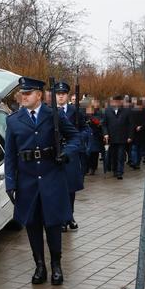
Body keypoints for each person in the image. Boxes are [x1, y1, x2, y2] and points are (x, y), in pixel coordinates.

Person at [4, 77, 81, 285]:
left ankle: (56, 265)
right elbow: (10, 155)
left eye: (28, 93)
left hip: (51, 177)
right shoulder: (13, 120)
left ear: (39, 95)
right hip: (27, 181)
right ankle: (40, 266)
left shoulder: (53, 115)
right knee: (32, 223)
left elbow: (76, 138)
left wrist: (66, 154)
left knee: (53, 223)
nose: (24, 96)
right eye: (22, 93)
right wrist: (10, 183)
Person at [54, 81, 86, 232]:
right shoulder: (50, 111)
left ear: (67, 96)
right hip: (56, 152)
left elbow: (86, 130)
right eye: (58, 94)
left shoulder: (76, 111)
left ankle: (70, 216)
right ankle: (61, 217)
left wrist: (78, 138)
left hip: (71, 153)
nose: (60, 96)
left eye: (63, 94)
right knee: (58, 187)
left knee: (70, 188)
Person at [102, 95, 133, 179]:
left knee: (121, 155)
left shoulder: (127, 111)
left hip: (122, 137)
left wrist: (130, 136)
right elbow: (104, 124)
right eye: (114, 101)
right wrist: (105, 133)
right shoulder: (107, 111)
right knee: (113, 155)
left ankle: (120, 172)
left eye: (117, 101)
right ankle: (115, 170)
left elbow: (130, 125)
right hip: (111, 137)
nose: (115, 103)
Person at [129, 98, 145, 169]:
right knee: (135, 148)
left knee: (138, 149)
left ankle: (136, 162)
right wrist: (138, 127)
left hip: (141, 133)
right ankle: (135, 162)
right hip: (135, 133)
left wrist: (140, 127)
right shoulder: (132, 112)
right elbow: (131, 121)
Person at [85, 100, 104, 175]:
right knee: (88, 153)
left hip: (95, 136)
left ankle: (92, 168)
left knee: (94, 153)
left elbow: (99, 123)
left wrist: (92, 119)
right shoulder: (85, 115)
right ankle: (87, 168)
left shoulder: (98, 114)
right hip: (87, 136)